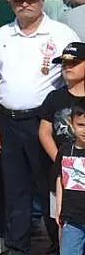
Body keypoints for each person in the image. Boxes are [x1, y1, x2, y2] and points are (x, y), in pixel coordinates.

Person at [0, 0, 81, 255]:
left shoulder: (62, 34)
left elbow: (75, 78)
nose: (25, 4)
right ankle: (17, 246)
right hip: (8, 121)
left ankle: (57, 244)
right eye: (18, 0)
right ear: (10, 1)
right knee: (15, 188)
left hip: (46, 124)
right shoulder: (1, 35)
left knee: (49, 187)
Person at [39, 44, 85, 255]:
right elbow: (44, 132)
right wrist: (63, 160)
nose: (68, 67)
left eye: (75, 63)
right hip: (63, 173)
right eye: (65, 63)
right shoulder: (54, 98)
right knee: (63, 224)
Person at [54, 101, 85, 255]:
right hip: (72, 217)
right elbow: (60, 179)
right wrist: (59, 207)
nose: (84, 130)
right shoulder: (65, 150)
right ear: (72, 124)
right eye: (81, 125)